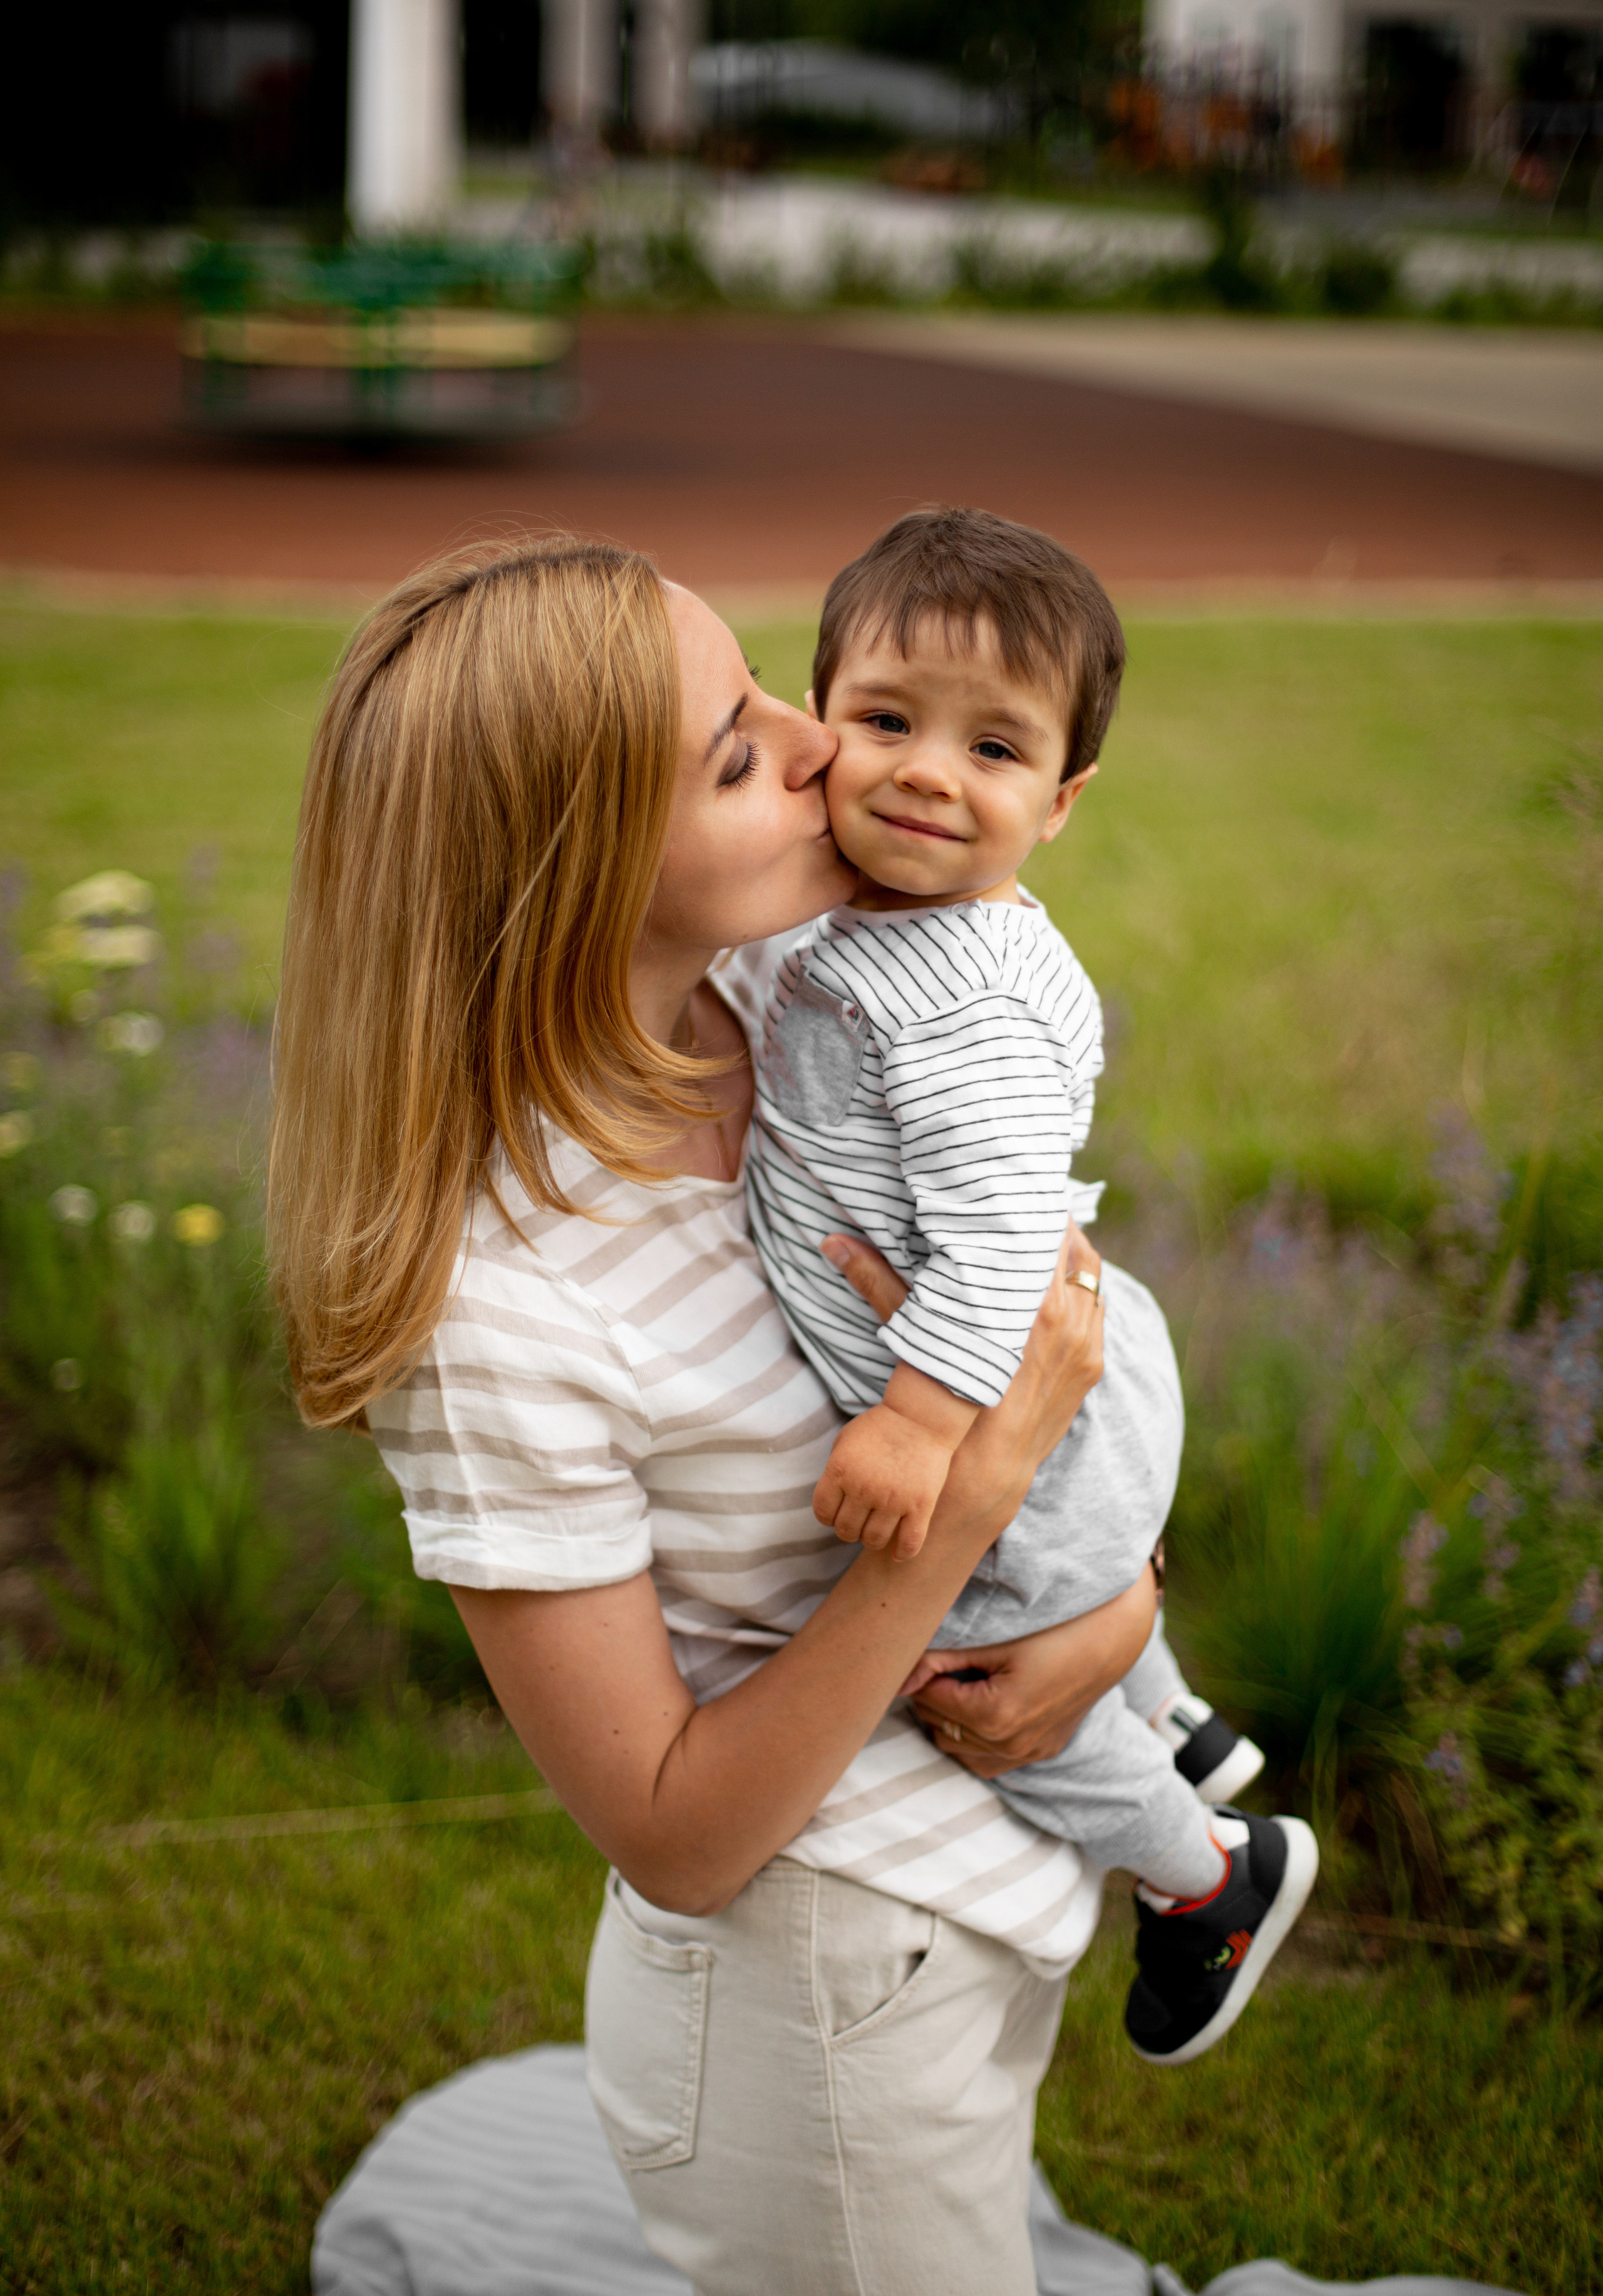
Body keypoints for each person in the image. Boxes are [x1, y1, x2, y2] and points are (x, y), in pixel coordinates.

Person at [269, 535, 1167, 2296]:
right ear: (582, 863)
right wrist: (964, 1520)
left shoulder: (796, 1024)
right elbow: (674, 1834)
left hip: (979, 1907)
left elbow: (1033, 1344)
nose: (825, 743)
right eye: (742, 753)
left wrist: (1112, 1609)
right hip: (822, 2006)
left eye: (772, 688)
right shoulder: (504, 1312)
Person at [744, 507, 1317, 2068]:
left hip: (1003, 1391)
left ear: (1058, 803)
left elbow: (999, 1241)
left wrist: (923, 1429)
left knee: (984, 1670)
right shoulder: (863, 920)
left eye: (991, 750)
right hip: (1043, 1368)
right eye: (885, 722)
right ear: (818, 729)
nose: (928, 772)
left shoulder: (973, 999)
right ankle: (1182, 1726)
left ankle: (1205, 1877)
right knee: (1059, 1587)